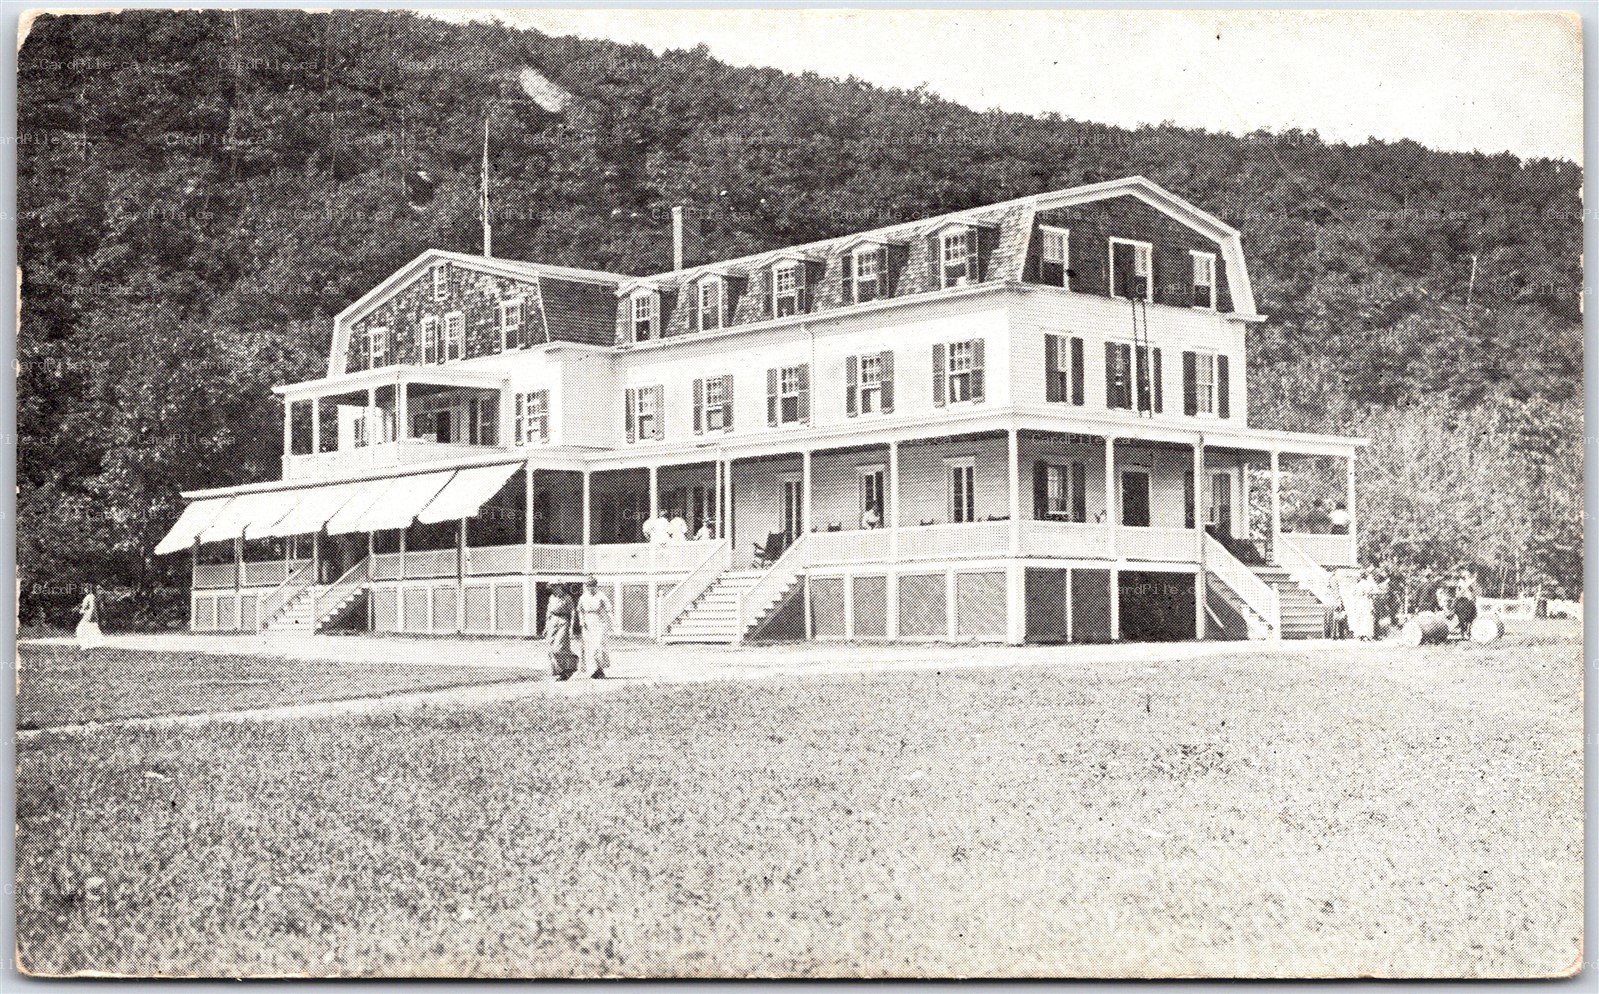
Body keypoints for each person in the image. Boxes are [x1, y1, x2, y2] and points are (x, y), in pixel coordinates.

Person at [577, 575, 615, 679]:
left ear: (596, 586)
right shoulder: (583, 597)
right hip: (587, 624)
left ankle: (600, 669)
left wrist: (612, 620)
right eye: (588, 586)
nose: (590, 588)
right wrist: (581, 620)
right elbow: (580, 610)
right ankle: (594, 670)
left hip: (598, 622)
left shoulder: (601, 596)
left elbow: (608, 609)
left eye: (592, 586)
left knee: (598, 646)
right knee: (589, 648)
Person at [545, 584, 579, 680]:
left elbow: (572, 612)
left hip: (563, 621)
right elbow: (548, 611)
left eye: (556, 587)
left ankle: (572, 662)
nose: (554, 589)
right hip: (553, 621)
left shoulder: (567, 598)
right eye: (553, 588)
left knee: (559, 647)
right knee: (551, 648)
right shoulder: (552, 597)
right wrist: (546, 626)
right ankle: (562, 672)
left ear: (560, 587)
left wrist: (571, 626)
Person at [1349, 569, 1378, 641]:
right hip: (1363, 602)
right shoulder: (1362, 584)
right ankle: (1364, 634)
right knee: (1364, 618)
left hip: (1361, 602)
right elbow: (1369, 592)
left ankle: (1363, 635)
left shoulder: (1360, 584)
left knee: (1362, 618)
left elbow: (1354, 593)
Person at [76, 585, 105, 651]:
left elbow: (92, 607)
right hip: (87, 615)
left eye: (87, 589)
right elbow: (85, 606)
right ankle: (88, 645)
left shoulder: (91, 596)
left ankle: (86, 646)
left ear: (90, 589)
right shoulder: (88, 596)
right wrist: (81, 609)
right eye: (85, 588)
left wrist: (90, 616)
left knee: (81, 630)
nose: (85, 590)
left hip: (89, 616)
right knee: (88, 630)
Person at [1452, 567, 1479, 638]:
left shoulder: (1467, 582)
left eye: (1467, 575)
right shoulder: (1463, 582)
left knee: (1470, 617)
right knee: (1465, 617)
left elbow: (1473, 591)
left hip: (1467, 600)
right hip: (1464, 600)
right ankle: (1464, 632)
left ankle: (1466, 632)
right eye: (1465, 576)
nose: (1466, 577)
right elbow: (1459, 591)